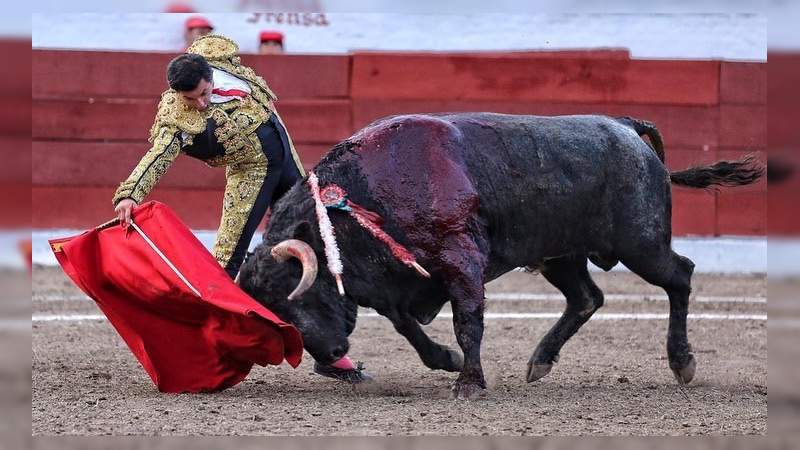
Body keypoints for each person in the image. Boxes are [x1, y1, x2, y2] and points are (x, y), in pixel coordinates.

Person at [113, 34, 306, 279]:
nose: (201, 104)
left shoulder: (215, 59)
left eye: (204, 92)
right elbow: (159, 153)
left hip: (283, 147)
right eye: (190, 98)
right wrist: (130, 194)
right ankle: (218, 313)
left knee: (306, 224)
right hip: (251, 169)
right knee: (228, 255)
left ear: (211, 74)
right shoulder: (177, 117)